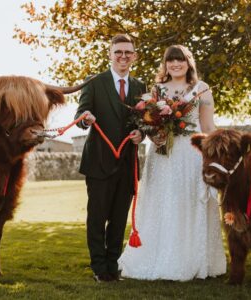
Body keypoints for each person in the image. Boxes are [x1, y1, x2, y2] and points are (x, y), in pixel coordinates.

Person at [118, 45, 226, 281]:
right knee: (162, 202)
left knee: (188, 201)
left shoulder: (202, 89)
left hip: (191, 154)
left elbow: (208, 127)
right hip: (162, 154)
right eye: (170, 61)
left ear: (189, 63)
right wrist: (153, 134)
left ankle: (193, 259)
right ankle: (159, 257)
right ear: (165, 64)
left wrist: (214, 155)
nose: (175, 64)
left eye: (180, 60)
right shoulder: (156, 89)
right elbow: (147, 123)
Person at [75, 34, 147, 282]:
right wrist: (86, 117)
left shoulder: (140, 87)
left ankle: (112, 265)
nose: (123, 56)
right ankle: (98, 267)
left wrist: (142, 133)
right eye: (118, 52)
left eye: (128, 52)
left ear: (134, 56)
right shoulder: (94, 82)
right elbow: (81, 113)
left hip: (127, 163)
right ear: (110, 54)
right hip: (99, 162)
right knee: (97, 218)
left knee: (118, 219)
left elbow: (144, 122)